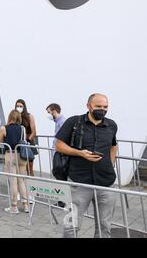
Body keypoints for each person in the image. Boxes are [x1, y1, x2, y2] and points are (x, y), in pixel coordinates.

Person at [56, 94, 118, 238]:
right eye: (98, 106)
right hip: (78, 183)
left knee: (105, 227)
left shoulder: (112, 125)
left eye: (105, 107)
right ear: (88, 106)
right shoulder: (74, 122)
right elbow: (59, 145)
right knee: (71, 226)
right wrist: (80, 153)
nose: (102, 110)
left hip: (106, 184)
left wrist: (111, 163)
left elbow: (114, 146)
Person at [0, 110, 29, 214]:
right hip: (22, 155)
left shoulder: (4, 128)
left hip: (10, 154)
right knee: (21, 180)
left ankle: (14, 206)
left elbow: (0, 141)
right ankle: (25, 205)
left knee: (13, 182)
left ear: (10, 117)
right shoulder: (22, 128)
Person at [15, 99, 37, 176]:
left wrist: (27, 141)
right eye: (17, 106)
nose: (19, 108)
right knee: (21, 166)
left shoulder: (29, 116)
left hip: (28, 142)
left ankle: (31, 181)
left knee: (29, 166)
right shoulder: (15, 116)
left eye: (20, 106)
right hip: (18, 142)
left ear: (24, 107)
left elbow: (34, 132)